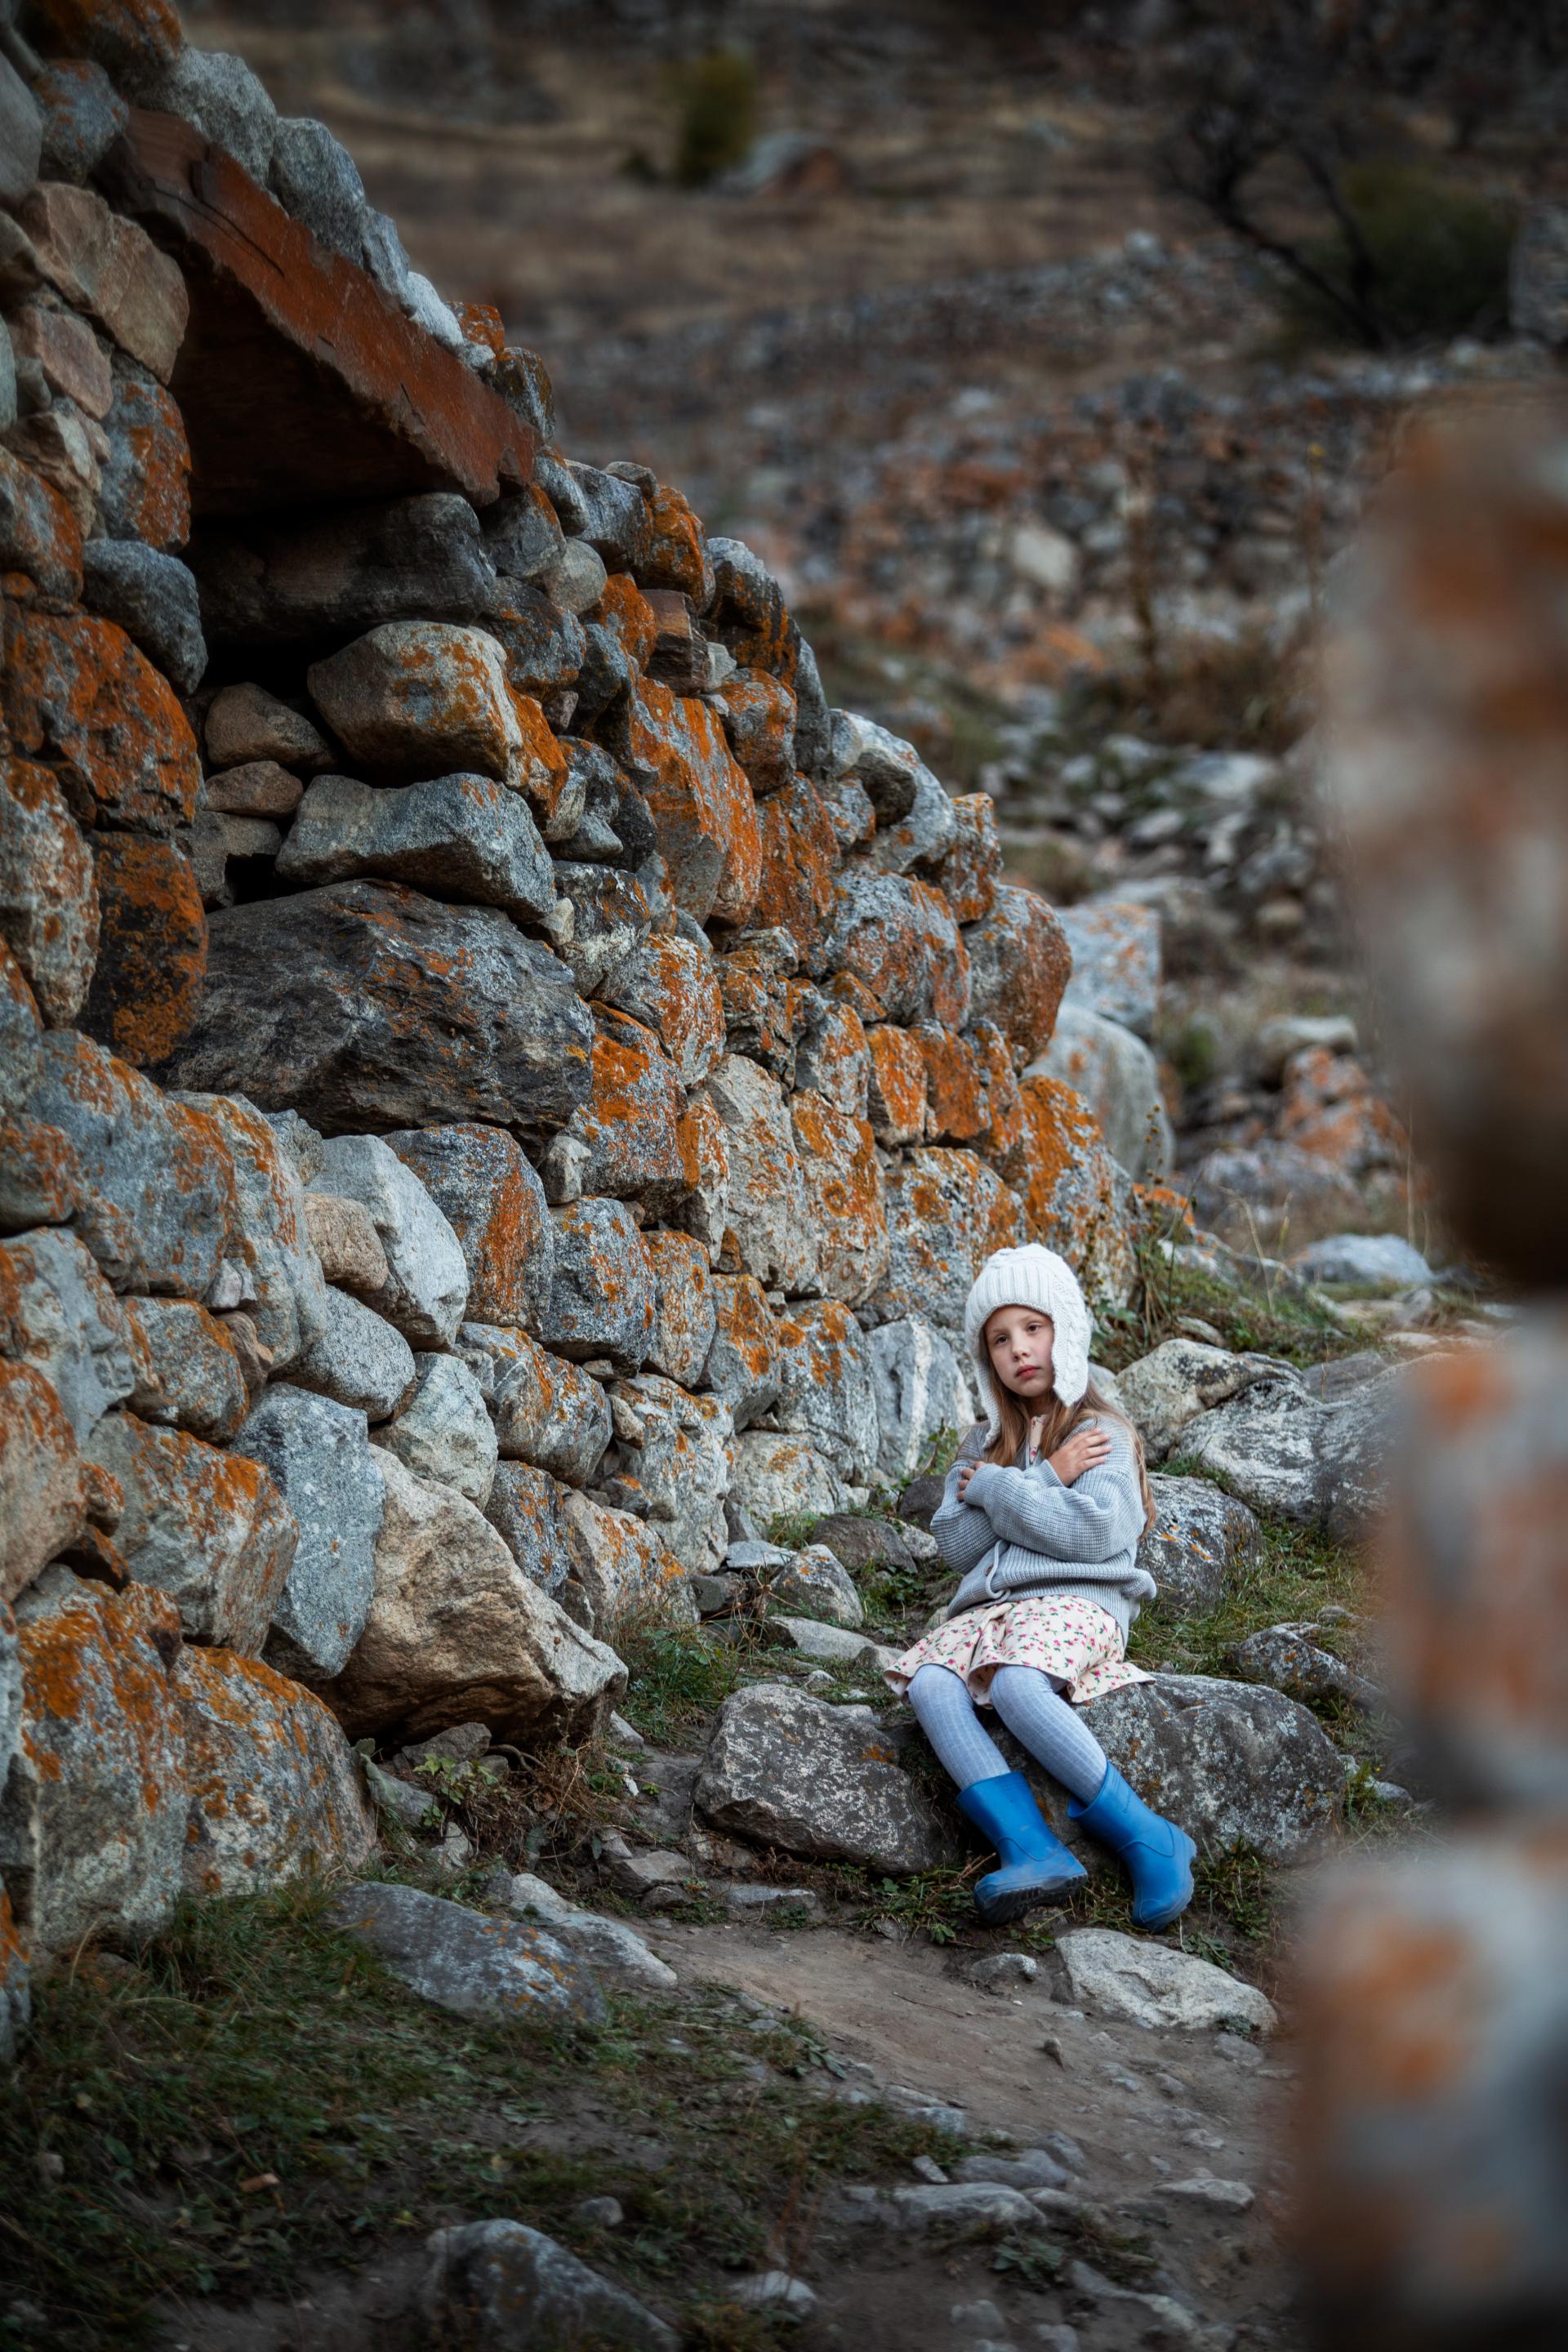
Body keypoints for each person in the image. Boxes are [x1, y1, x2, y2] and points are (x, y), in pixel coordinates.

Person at [885, 1243, 1195, 1932]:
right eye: (1000, 1338)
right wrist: (1043, 1478)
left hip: (1081, 1602)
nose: (1019, 1349)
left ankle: (1149, 1835)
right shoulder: (981, 1447)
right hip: (995, 1611)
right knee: (932, 1684)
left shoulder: (1101, 1433)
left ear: (1068, 1331)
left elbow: (1094, 1534)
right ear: (985, 1356)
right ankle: (1030, 1848)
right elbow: (957, 1546)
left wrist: (1001, 1494)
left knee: (1022, 1685)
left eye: (1035, 1327)